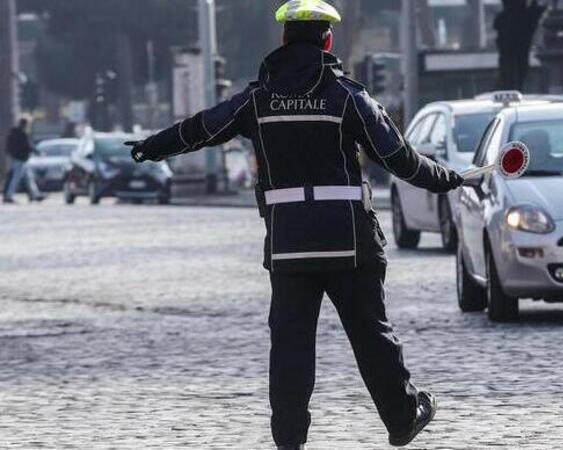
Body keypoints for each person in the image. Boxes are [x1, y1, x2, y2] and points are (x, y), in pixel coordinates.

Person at [125, 1, 463, 448]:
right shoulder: (348, 97)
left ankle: (288, 441)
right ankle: (402, 418)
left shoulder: (257, 100)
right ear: (327, 41)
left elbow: (202, 128)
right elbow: (398, 158)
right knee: (371, 334)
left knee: (290, 348)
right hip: (349, 242)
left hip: (290, 244)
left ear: (283, 39)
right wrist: (447, 178)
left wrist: (151, 146)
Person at [3, 117, 44, 203]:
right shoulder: (21, 134)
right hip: (20, 159)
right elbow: (27, 145)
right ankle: (9, 196)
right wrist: (37, 152)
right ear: (25, 124)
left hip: (19, 159)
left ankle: (35, 195)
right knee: (15, 178)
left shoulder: (14, 133)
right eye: (28, 124)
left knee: (29, 178)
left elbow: (10, 146)